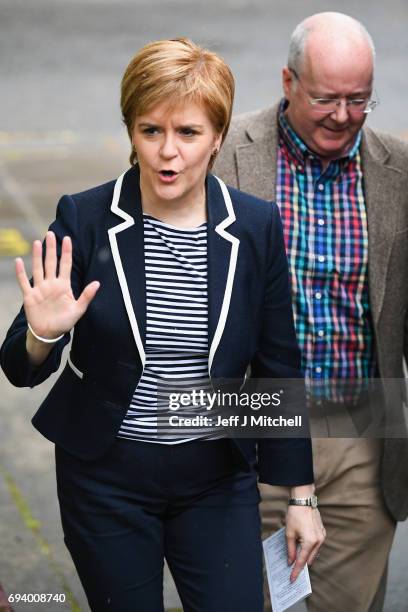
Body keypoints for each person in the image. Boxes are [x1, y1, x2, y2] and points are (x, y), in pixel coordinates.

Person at [0, 38, 324, 612]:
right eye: (151, 131)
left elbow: (278, 363)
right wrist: (43, 333)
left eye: (188, 133)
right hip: (106, 478)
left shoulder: (253, 227)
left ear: (218, 136)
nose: (166, 153)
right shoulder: (86, 216)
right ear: (131, 131)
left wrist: (302, 496)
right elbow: (18, 368)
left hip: (215, 477)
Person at [214, 11, 408, 612]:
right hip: (254, 434)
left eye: (359, 100)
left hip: (360, 441)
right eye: (327, 98)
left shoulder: (400, 171)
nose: (343, 116)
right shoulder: (222, 159)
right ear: (288, 81)